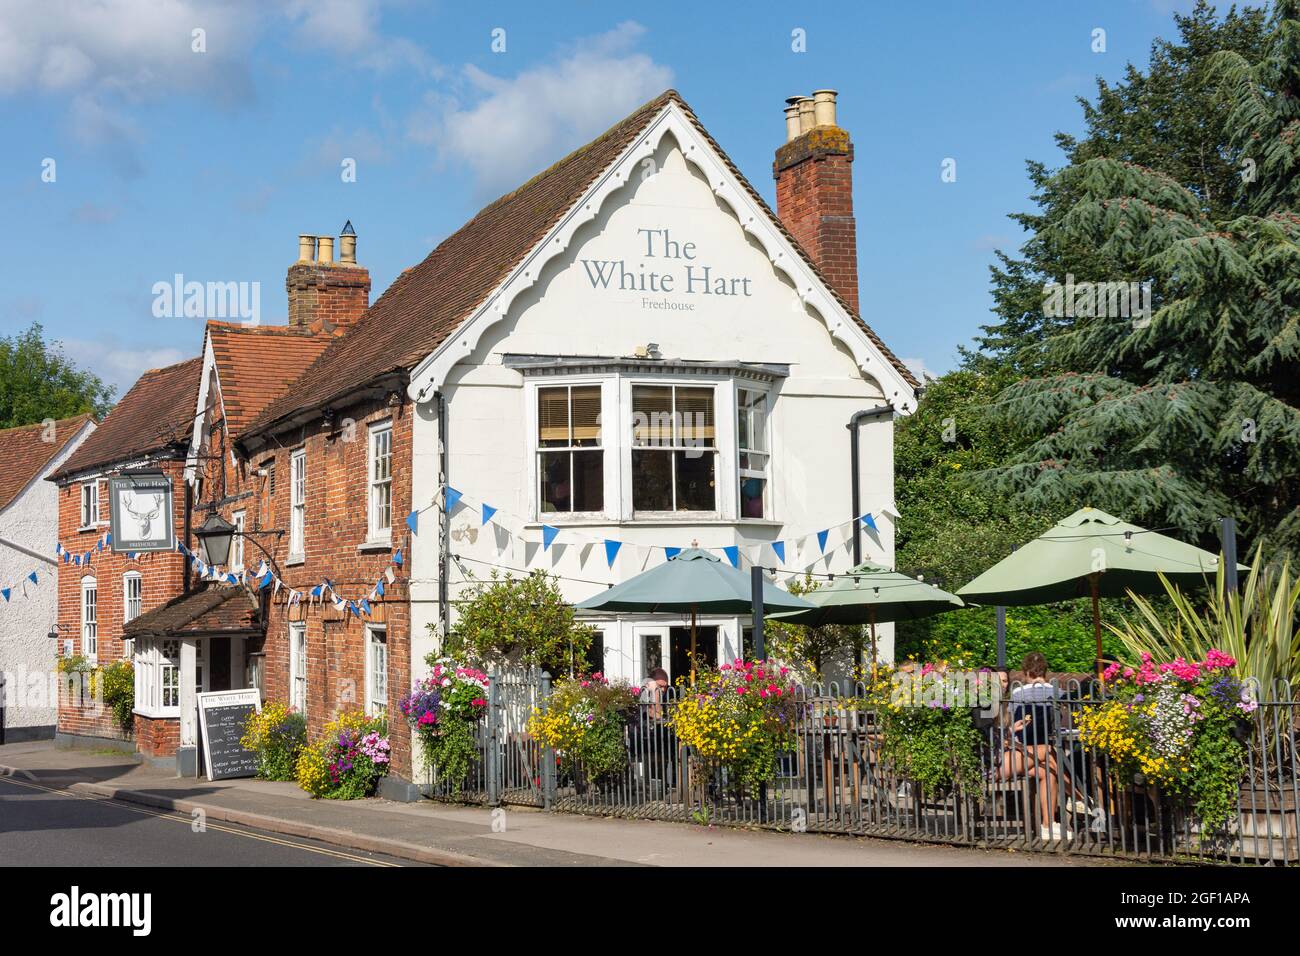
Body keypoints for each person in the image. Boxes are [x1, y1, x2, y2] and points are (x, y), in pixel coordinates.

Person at [996, 652, 1087, 841]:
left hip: (1020, 750)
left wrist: (1012, 730)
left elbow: (1007, 730)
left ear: (1026, 671)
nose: (1003, 685)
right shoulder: (988, 706)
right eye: (1000, 681)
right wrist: (1009, 732)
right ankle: (1080, 799)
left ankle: (1048, 825)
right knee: (1048, 750)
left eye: (1004, 681)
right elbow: (994, 736)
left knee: (1050, 769)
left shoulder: (1015, 695)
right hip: (1002, 757)